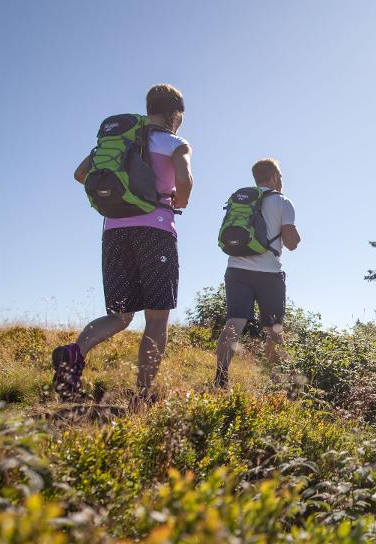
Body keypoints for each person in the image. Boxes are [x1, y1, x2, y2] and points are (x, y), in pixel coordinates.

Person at [52, 84, 193, 404]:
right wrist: (179, 200)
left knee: (119, 315)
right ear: (175, 113)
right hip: (155, 230)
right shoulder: (174, 143)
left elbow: (80, 174)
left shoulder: (119, 140)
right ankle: (142, 395)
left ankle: (74, 353)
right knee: (156, 317)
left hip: (114, 231)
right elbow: (185, 179)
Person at [215, 159, 300, 388]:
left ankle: (220, 378)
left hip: (236, 269)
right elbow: (291, 242)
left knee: (234, 323)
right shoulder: (282, 202)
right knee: (273, 330)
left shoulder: (241, 200)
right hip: (268, 274)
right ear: (274, 177)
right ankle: (275, 383)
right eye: (280, 176)